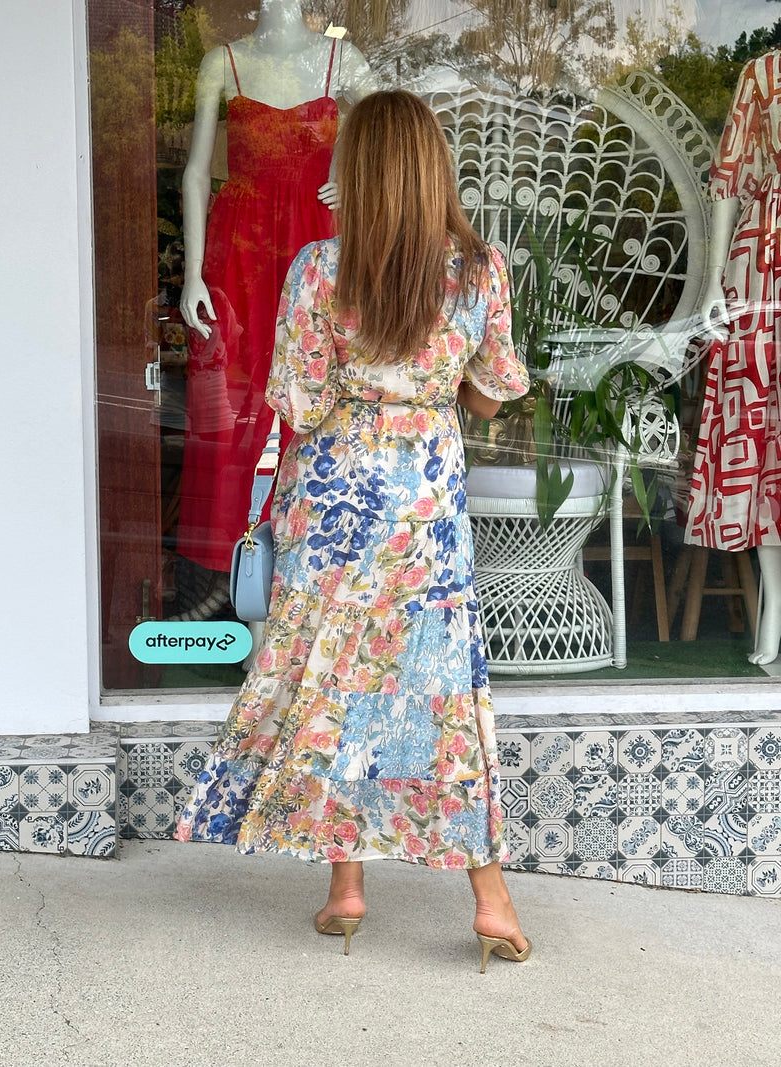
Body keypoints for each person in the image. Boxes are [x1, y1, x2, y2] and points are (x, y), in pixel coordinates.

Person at [174, 90, 532, 973]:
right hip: (428, 508)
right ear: (432, 170)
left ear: (360, 172)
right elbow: (490, 392)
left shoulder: (319, 269)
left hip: (336, 505)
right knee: (443, 691)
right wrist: (433, 383)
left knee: (338, 682)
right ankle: (492, 904)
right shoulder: (479, 269)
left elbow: (296, 401)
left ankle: (346, 889)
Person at [174, 0, 375, 597]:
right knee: (238, 403)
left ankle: (312, 577)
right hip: (240, 251)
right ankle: (249, 592)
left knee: (324, 398)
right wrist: (191, 275)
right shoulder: (222, 63)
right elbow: (194, 173)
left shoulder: (344, 60)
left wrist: (356, 173)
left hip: (318, 239)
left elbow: (398, 132)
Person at [686, 50, 781, 664]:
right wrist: (715, 279)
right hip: (764, 259)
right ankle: (776, 603)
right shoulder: (764, 74)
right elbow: (727, 181)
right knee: (765, 435)